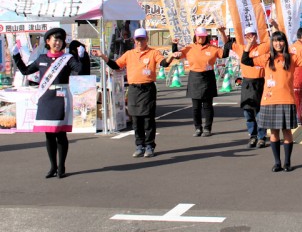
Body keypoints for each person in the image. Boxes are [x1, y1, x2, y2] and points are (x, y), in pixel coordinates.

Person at [92, 28, 178, 158]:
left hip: (148, 89)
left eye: (142, 39)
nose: (140, 42)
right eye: (137, 39)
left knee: (148, 119)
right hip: (133, 90)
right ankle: (139, 145)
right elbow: (116, 65)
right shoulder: (129, 54)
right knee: (136, 119)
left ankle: (149, 146)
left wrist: (171, 55)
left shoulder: (153, 53)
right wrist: (102, 56)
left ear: (146, 39)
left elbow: (164, 63)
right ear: (134, 40)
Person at [12, 27, 83, 178]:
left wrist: (81, 57)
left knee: (60, 133)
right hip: (45, 98)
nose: (58, 42)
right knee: (49, 134)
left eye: (60, 40)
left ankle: (62, 166)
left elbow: (80, 70)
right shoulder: (41, 59)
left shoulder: (67, 59)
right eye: (55, 39)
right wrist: (16, 56)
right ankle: (53, 167)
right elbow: (25, 71)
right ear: (48, 41)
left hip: (60, 97)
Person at [241, 31, 302, 172]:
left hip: (287, 99)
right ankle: (277, 162)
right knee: (274, 133)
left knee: (287, 131)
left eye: (281, 41)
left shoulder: (292, 58)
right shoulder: (266, 58)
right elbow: (245, 60)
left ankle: (287, 162)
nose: (278, 44)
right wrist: (249, 45)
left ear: (284, 43)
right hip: (269, 101)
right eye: (275, 41)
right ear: (272, 43)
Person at [173, 26, 229, 137]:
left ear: (206, 37)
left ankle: (207, 128)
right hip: (194, 77)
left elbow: (225, 53)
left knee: (208, 106)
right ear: (195, 36)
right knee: (196, 106)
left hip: (208, 77)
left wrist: (223, 33)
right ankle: (198, 128)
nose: (201, 38)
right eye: (199, 36)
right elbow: (177, 56)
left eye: (203, 37)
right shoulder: (189, 48)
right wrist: (174, 45)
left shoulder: (213, 48)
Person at [225, 25, 271, 148]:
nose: (251, 37)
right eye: (248, 35)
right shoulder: (241, 48)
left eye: (253, 35)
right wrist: (221, 31)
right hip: (247, 83)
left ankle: (262, 137)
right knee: (248, 112)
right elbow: (227, 43)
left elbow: (275, 40)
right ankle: (253, 136)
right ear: (245, 37)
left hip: (260, 82)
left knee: (260, 112)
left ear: (256, 36)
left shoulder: (263, 46)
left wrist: (274, 27)